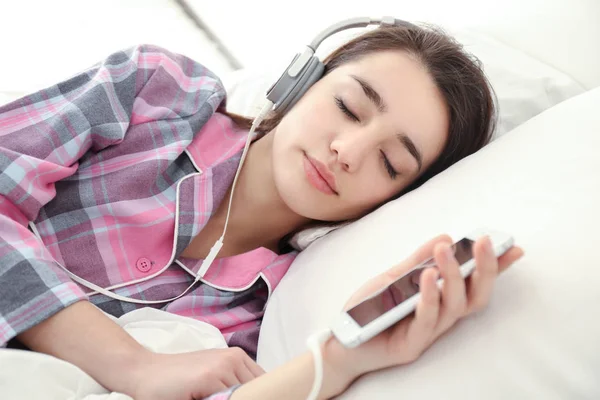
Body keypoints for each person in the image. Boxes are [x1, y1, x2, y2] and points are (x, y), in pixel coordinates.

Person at [0, 20, 523, 400]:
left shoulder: (267, 310)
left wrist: (344, 358)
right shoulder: (158, 93)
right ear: (300, 81)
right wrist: (130, 364)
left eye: (389, 163)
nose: (349, 151)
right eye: (348, 107)